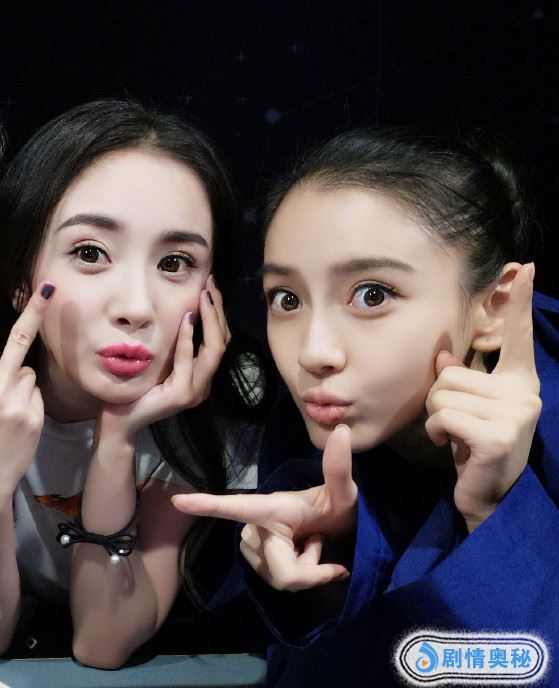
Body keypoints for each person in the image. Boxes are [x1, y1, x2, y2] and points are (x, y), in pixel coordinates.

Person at [173, 128, 559, 685]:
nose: (313, 352)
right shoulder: (310, 430)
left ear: (493, 308)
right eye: (287, 299)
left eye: (372, 295)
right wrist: (338, 557)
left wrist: (497, 512)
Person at [0, 98, 262, 668]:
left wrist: (119, 436)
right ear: (20, 277)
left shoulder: (214, 418)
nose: (137, 307)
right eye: (90, 253)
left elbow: (103, 642)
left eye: (174, 264)